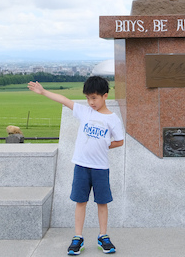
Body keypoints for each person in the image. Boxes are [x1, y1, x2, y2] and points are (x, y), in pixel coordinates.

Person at [28, 76, 125, 255]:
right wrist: (43, 92)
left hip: (101, 168)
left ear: (105, 96)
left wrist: (104, 145)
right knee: (81, 201)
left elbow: (119, 141)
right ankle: (78, 238)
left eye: (94, 98)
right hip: (81, 166)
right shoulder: (84, 112)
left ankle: (103, 236)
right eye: (88, 98)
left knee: (102, 202)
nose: (90, 102)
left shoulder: (113, 119)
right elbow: (64, 100)